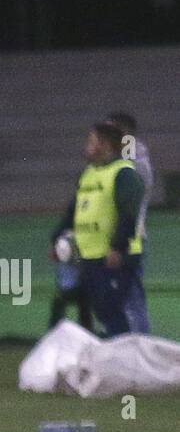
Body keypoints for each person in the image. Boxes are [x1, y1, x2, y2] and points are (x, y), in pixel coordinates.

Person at [49, 121, 144, 339]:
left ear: (105, 144)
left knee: (111, 312)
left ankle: (124, 362)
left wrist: (117, 248)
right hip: (89, 255)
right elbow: (73, 212)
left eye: (91, 141)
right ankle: (113, 360)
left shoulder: (124, 174)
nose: (87, 146)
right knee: (101, 311)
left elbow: (129, 215)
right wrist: (56, 239)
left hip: (113, 257)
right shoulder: (89, 174)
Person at [107, 111, 152, 334]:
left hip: (129, 240)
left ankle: (138, 349)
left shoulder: (132, 160)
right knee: (124, 300)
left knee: (130, 300)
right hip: (119, 238)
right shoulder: (130, 158)